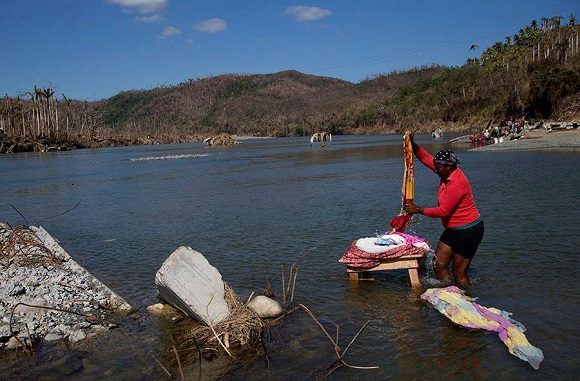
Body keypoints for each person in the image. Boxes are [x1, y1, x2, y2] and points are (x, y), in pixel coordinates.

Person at [403, 135, 483, 288]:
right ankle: (449, 293)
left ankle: (467, 301)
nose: (436, 169)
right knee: (438, 265)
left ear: (449, 166)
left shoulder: (457, 183)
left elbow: (443, 211)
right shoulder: (445, 171)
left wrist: (417, 209)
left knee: (459, 273)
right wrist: (412, 144)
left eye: (439, 167)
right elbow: (426, 158)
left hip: (469, 230)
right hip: (453, 230)